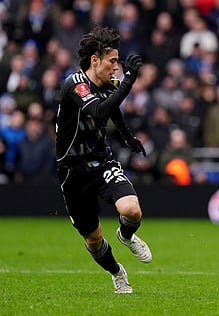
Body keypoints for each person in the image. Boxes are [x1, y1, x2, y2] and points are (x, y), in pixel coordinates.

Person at [55, 26, 152, 294]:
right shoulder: (74, 84)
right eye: (112, 61)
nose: (117, 68)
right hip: (72, 171)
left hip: (102, 163)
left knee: (132, 209)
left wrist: (129, 137)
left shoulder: (109, 85)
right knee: (93, 239)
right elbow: (98, 111)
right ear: (95, 60)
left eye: (118, 63)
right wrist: (130, 81)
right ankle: (117, 272)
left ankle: (126, 235)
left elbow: (114, 112)